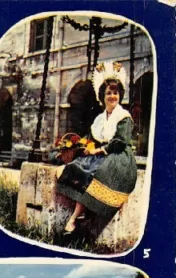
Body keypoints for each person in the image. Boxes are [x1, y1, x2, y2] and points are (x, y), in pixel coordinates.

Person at [56, 61, 137, 233]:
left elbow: (120, 141)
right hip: (103, 153)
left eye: (116, 93)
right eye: (109, 93)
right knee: (76, 167)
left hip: (120, 157)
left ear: (120, 95)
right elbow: (91, 137)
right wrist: (81, 146)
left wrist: (98, 150)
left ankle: (75, 218)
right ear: (102, 96)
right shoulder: (100, 118)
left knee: (97, 174)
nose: (112, 96)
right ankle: (80, 216)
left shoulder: (123, 116)